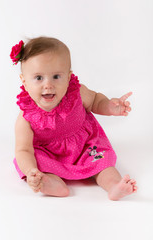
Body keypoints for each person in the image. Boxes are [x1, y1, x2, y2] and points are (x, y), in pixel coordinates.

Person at [10, 37, 137, 200]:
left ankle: (114, 186)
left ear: (69, 77)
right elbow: (23, 149)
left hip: (85, 147)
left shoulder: (76, 93)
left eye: (56, 76)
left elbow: (95, 101)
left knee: (102, 163)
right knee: (31, 162)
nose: (48, 85)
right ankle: (48, 182)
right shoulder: (26, 117)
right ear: (24, 82)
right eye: (39, 78)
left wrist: (110, 107)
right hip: (49, 155)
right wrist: (30, 171)